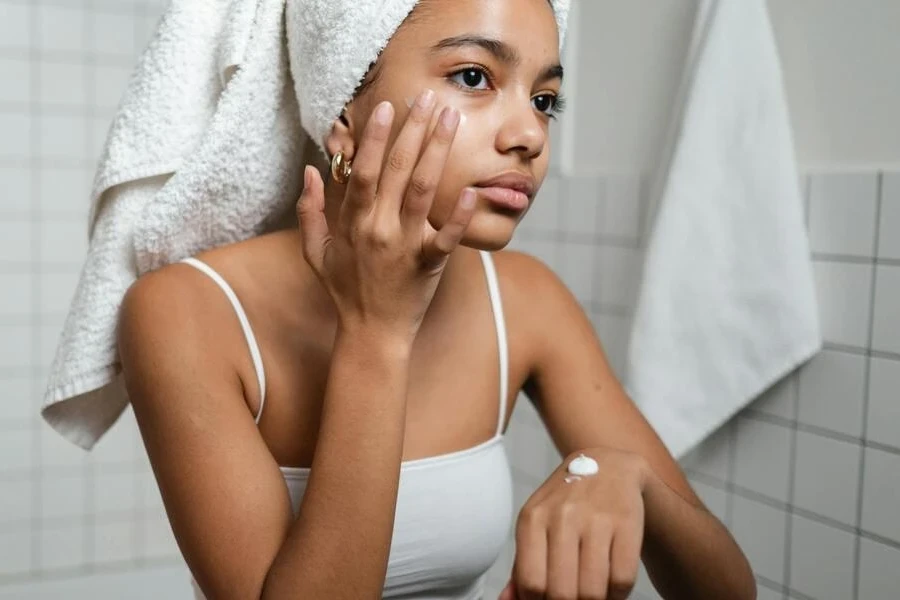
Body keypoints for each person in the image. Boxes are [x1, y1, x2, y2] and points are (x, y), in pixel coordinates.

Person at [117, 0, 756, 598]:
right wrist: (377, 333)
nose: (530, 133)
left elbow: (731, 589)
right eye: (474, 76)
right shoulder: (184, 313)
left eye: (544, 99)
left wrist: (631, 477)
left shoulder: (527, 301)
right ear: (344, 109)